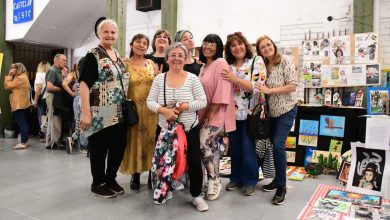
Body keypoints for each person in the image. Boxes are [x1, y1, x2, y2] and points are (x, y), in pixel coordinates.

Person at [147, 42, 208, 211]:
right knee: (165, 162)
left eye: (180, 56)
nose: (176, 59)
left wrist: (183, 106)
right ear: (167, 58)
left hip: (189, 129)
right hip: (166, 130)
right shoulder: (160, 79)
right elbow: (149, 101)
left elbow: (203, 101)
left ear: (185, 59)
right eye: (173, 55)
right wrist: (163, 111)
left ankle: (196, 195)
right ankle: (166, 189)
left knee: (194, 161)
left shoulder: (192, 79)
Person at [79, 19, 129, 198]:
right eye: (106, 32)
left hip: (118, 109)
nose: (110, 35)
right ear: (99, 34)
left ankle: (110, 178)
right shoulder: (93, 55)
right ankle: (98, 182)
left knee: (118, 146)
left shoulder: (116, 54)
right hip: (100, 110)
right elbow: (84, 85)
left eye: (113, 32)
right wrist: (86, 112)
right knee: (100, 147)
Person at [220, 32, 267, 196]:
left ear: (245, 45)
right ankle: (236, 178)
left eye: (239, 44)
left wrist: (235, 79)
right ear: (229, 49)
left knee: (248, 147)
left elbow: (257, 87)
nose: (237, 48)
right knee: (235, 148)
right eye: (233, 45)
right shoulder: (227, 64)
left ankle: (249, 180)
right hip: (231, 114)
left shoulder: (256, 61)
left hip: (249, 114)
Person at [255, 35, 298, 205]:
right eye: (262, 47)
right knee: (271, 145)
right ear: (260, 51)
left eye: (268, 44)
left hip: (287, 109)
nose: (266, 48)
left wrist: (269, 91)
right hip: (271, 113)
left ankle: (282, 187)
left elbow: (293, 85)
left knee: (278, 145)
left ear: (273, 45)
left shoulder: (285, 61)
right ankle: (277, 179)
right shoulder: (263, 65)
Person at [197, 33, 236, 200]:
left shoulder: (221, 63)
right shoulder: (203, 67)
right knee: (211, 147)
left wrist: (209, 114)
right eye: (206, 43)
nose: (208, 46)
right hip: (202, 113)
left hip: (216, 113)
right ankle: (214, 178)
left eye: (212, 43)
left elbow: (222, 91)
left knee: (203, 142)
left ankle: (214, 179)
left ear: (218, 47)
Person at [119, 34, 158, 190]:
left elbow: (157, 82)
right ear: (131, 44)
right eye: (138, 42)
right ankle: (135, 174)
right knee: (135, 140)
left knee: (151, 140)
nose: (141, 45)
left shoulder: (151, 63)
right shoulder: (124, 64)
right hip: (134, 109)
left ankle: (151, 173)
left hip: (151, 110)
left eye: (144, 43)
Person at [62, 59, 88, 154]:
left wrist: (73, 93)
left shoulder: (74, 73)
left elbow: (64, 83)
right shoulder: (88, 73)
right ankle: (84, 145)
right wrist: (72, 93)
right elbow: (64, 84)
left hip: (78, 99)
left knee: (80, 122)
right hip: (83, 100)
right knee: (82, 123)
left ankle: (73, 138)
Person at [4, 63, 32, 149]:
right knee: (24, 123)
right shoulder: (23, 77)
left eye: (13, 68)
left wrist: (9, 75)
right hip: (24, 103)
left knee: (22, 123)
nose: (11, 70)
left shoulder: (20, 78)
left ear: (18, 69)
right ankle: (25, 141)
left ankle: (23, 143)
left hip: (19, 104)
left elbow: (7, 86)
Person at [45, 54, 67, 149]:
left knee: (52, 119)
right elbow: (49, 87)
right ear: (56, 60)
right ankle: (55, 142)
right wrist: (62, 88)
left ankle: (50, 142)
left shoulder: (58, 72)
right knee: (55, 119)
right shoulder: (52, 71)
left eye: (65, 60)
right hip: (53, 97)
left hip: (56, 97)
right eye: (63, 60)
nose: (65, 62)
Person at [33, 61, 51, 143]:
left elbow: (39, 88)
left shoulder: (39, 74)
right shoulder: (50, 74)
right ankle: (50, 135)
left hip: (43, 99)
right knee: (49, 117)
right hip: (50, 98)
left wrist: (35, 100)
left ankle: (45, 136)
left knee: (43, 118)